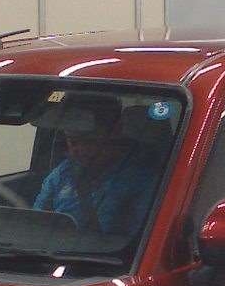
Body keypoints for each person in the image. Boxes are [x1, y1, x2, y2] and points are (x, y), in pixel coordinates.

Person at [33, 96, 158, 239]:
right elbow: (35, 224)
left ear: (115, 131)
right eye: (72, 141)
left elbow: (142, 240)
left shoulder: (143, 181)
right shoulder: (63, 173)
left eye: (88, 140)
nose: (77, 150)